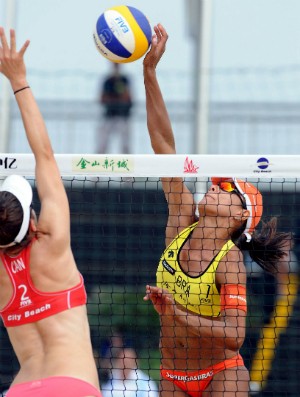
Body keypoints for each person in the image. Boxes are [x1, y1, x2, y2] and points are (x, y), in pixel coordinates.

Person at [142, 24, 291, 397]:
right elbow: (163, 145)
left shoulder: (229, 262)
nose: (215, 186)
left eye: (228, 190)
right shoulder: (182, 221)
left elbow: (234, 336)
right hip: (172, 375)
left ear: (240, 216)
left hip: (221, 373)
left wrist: (176, 312)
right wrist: (149, 72)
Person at [0, 28, 101, 396]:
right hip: (71, 385)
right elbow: (44, 154)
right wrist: (19, 81)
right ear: (33, 216)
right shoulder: (53, 240)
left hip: (21, 389)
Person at [248, 236, 299, 395]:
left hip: (285, 304)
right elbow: (252, 271)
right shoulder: (264, 255)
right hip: (270, 305)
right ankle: (256, 381)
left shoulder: (291, 258)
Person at [98, 63, 133, 154]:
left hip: (123, 116)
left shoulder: (124, 80)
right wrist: (115, 99)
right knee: (102, 143)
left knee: (125, 145)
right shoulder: (108, 81)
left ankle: (127, 163)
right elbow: (102, 98)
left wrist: (115, 97)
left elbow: (127, 97)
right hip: (109, 116)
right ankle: (99, 164)